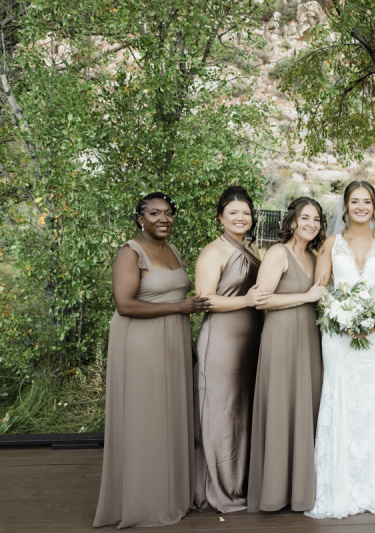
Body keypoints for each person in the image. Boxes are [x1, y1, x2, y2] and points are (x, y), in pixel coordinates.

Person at [94, 192, 212, 529]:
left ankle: (171, 494)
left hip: (173, 341)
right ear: (140, 218)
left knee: (170, 416)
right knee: (146, 419)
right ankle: (144, 502)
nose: (164, 219)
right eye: (155, 213)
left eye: (169, 213)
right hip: (140, 345)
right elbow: (124, 305)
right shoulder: (129, 253)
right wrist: (180, 307)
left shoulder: (171, 250)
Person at [306, 180, 375, 519]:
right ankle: (336, 482)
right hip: (338, 333)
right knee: (340, 393)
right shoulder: (331, 243)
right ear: (345, 206)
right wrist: (340, 318)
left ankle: (373, 478)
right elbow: (321, 290)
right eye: (355, 201)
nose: (361, 207)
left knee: (372, 395)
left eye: (367, 202)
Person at [247, 197, 328, 513]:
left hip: (308, 337)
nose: (311, 224)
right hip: (281, 338)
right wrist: (306, 296)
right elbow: (261, 301)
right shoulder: (278, 253)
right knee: (282, 407)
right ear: (292, 221)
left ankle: (300, 489)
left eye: (317, 220)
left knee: (305, 405)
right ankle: (275, 492)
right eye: (305, 218)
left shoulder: (310, 256)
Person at [193, 186, 271, 513]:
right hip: (222, 341)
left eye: (246, 213)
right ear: (220, 217)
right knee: (223, 414)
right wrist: (246, 301)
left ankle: (243, 480)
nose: (241, 218)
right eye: (233, 213)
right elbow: (203, 300)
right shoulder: (214, 251)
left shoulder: (253, 249)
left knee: (243, 412)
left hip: (251, 342)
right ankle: (223, 488)